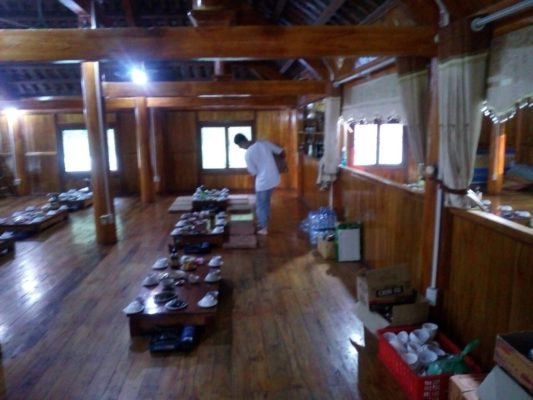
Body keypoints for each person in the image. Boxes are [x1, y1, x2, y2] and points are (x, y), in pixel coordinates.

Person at [234, 134, 284, 235]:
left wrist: (254, 186)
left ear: (242, 143)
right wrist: (278, 162)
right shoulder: (263, 142)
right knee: (266, 202)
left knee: (260, 205)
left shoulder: (248, 154)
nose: (240, 148)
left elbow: (254, 173)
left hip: (263, 182)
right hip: (274, 177)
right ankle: (265, 221)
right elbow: (281, 152)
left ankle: (263, 227)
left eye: (239, 146)